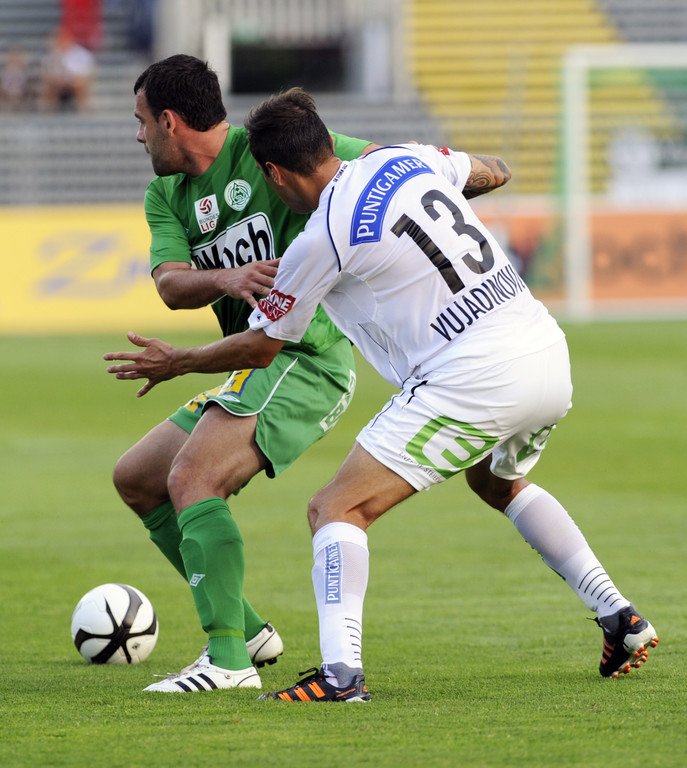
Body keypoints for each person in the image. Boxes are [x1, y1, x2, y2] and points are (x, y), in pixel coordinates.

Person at [105, 87, 658, 701]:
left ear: (275, 174)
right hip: (544, 351)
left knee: (335, 509)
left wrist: (177, 361)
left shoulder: (321, 236)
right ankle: (618, 614)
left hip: (471, 375)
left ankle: (341, 678)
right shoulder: (407, 158)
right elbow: (493, 171)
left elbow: (261, 348)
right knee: (495, 482)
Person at [113, 54, 381, 693]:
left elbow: (377, 164)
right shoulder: (167, 194)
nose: (139, 135)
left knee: (193, 478)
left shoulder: (264, 148)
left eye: (141, 121)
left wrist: (459, 171)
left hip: (305, 358)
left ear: (170, 121)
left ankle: (228, 659)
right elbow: (171, 285)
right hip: (248, 362)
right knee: (138, 479)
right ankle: (250, 630)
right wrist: (227, 278)